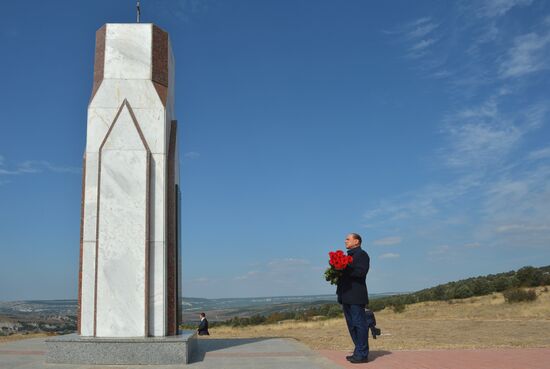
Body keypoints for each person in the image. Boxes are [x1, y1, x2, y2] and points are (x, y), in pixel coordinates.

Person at [336, 233, 370, 364]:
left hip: (356, 296)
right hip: (346, 296)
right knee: (351, 326)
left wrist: (345, 267)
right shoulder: (348, 256)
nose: (345, 241)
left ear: (356, 241)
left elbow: (361, 273)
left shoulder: (362, 255)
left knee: (359, 324)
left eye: (347, 239)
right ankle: (358, 351)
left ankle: (362, 354)